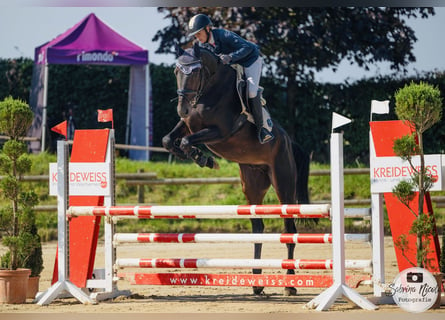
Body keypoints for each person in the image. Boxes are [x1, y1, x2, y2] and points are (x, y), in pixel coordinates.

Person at [188, 14, 274, 144]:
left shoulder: (223, 35)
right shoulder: (204, 46)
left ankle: (262, 129)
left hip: (250, 61)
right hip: (233, 65)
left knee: (251, 91)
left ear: (207, 28)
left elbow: (249, 47)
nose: (197, 37)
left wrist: (230, 57)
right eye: (195, 35)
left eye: (198, 33)